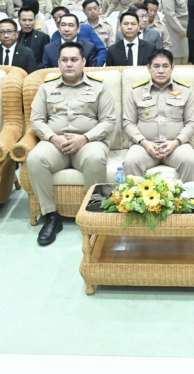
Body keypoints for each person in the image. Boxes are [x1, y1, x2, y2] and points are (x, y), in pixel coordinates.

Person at [29, 41, 117, 245]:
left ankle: (94, 214)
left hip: (88, 142)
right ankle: (51, 216)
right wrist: (53, 138)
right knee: (34, 158)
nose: (69, 64)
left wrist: (84, 138)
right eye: (65, 60)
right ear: (58, 62)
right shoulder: (46, 88)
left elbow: (109, 121)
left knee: (95, 158)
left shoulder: (98, 87)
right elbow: (36, 120)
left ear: (83, 62)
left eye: (74, 60)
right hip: (55, 143)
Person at [122, 48, 194, 182]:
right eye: (156, 66)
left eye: (165, 66)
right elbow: (128, 122)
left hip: (177, 146)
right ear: (148, 68)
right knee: (131, 162)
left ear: (172, 67)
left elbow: (192, 123)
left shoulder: (185, 91)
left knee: (190, 161)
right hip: (144, 146)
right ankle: (137, 197)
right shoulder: (136, 92)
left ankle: (189, 196)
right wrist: (144, 143)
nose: (161, 71)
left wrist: (176, 142)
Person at [161, 0, 190, 65]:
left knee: (185, 56)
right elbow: (170, 15)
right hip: (174, 29)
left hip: (187, 28)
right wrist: (180, 29)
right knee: (176, 57)